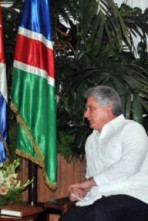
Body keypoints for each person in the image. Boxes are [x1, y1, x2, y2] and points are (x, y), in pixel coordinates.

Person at [60, 85, 148, 221]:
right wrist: (81, 191)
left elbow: (130, 165)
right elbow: (92, 179)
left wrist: (88, 183)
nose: (85, 114)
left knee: (101, 211)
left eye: (91, 108)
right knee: (69, 218)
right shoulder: (91, 140)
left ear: (109, 107)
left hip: (134, 197)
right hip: (99, 199)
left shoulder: (132, 129)